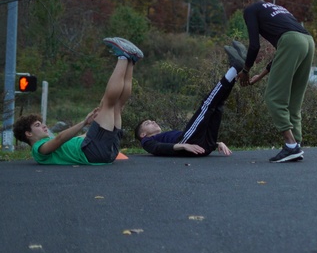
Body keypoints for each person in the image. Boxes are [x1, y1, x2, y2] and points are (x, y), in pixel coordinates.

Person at [13, 37, 142, 165]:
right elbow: (60, 138)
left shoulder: (50, 145)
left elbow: (75, 139)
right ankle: (123, 57)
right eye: (37, 125)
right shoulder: (38, 150)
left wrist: (92, 129)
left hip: (105, 151)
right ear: (28, 134)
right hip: (93, 152)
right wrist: (84, 123)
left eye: (41, 123)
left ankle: (131, 60)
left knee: (117, 106)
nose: (44, 126)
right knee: (107, 104)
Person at [238, 0, 315, 163]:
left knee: (273, 97)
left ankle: (290, 145)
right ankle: (296, 143)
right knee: (294, 99)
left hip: (291, 42)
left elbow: (254, 45)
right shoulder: (277, 8)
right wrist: (261, 75)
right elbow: (285, 50)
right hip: (308, 41)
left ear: (248, 2)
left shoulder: (251, 9)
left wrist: (246, 71)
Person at [134, 42, 247, 157]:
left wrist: (216, 144)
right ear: (143, 134)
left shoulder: (163, 136)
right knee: (207, 105)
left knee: (218, 106)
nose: (153, 122)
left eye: (151, 121)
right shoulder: (147, 141)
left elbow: (197, 135)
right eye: (147, 123)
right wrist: (182, 145)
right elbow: (157, 148)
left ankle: (235, 70)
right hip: (188, 143)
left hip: (204, 146)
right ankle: (234, 68)